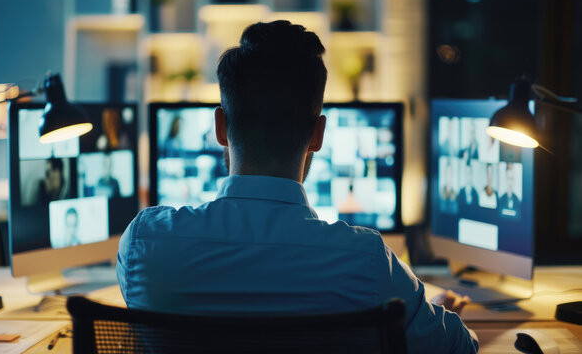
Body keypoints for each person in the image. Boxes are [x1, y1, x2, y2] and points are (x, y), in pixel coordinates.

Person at [117, 21, 477, 353]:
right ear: (318, 135)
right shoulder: (368, 262)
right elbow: (461, 347)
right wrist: (420, 314)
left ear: (220, 127)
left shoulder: (144, 244)